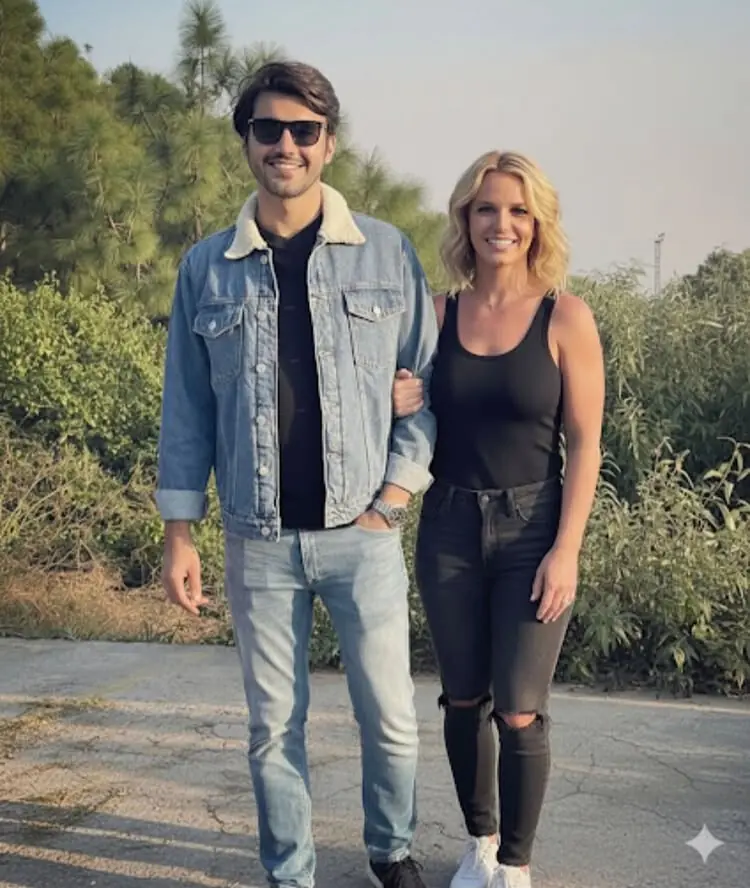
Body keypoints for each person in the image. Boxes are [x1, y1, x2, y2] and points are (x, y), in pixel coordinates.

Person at [155, 61, 439, 888]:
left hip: (363, 533)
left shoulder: (385, 253)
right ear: (246, 141)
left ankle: (391, 851)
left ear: (329, 143)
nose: (286, 145)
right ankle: (290, 873)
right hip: (259, 540)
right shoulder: (207, 268)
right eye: (268, 128)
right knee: (274, 726)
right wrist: (180, 533)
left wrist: (392, 499)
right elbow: (186, 410)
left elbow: (426, 388)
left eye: (303, 130)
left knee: (390, 716)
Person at [391, 150, 605, 888]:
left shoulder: (565, 317)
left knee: (518, 708)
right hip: (448, 524)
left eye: (518, 210)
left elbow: (585, 444)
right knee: (462, 699)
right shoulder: (437, 314)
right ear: (466, 218)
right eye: (486, 208)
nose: (502, 223)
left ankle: (515, 863)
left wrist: (566, 549)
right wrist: (398, 398)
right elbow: (400, 405)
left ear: (538, 223)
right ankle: (479, 843)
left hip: (533, 528)